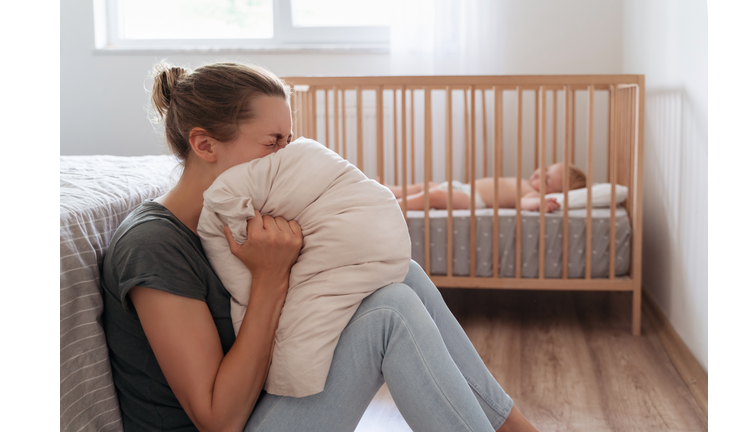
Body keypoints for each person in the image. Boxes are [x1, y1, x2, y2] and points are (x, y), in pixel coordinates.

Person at [100, 61, 540, 432]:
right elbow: (218, 419)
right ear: (204, 144)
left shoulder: (244, 222)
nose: (286, 158)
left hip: (264, 408)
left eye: (288, 143)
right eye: (272, 143)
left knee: (398, 273)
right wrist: (270, 276)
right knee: (390, 315)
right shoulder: (154, 245)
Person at [387, 163, 587, 213]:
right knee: (426, 186)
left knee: (434, 195)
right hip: (463, 187)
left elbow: (525, 203)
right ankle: (389, 190)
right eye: (545, 169)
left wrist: (540, 204)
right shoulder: (527, 183)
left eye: (548, 181)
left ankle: (396, 205)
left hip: (474, 200)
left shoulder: (531, 193)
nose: (540, 174)